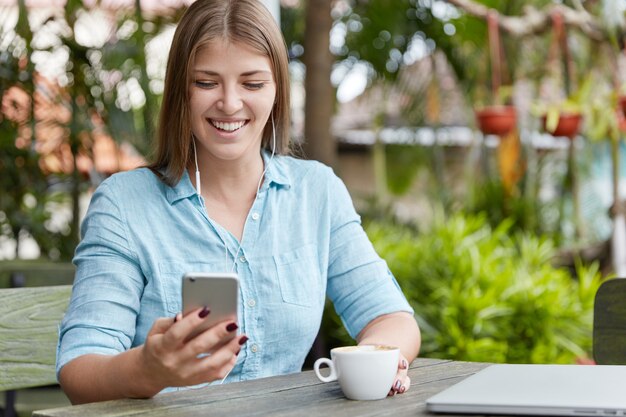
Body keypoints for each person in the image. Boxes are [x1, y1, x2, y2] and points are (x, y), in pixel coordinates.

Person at [56, 0, 421, 404]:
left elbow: (391, 318)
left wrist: (382, 359)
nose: (230, 104)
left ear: (277, 90)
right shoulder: (124, 205)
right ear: (180, 90)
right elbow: (80, 371)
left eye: (252, 83)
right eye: (206, 82)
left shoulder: (317, 192)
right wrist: (148, 369)